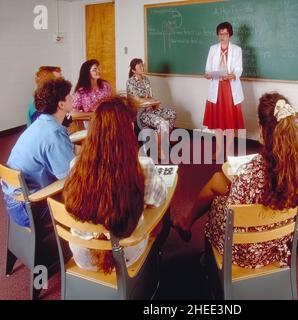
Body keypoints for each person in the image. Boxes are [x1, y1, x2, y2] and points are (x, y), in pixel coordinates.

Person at [172, 92, 298, 268]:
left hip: (241, 253)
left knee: (218, 200)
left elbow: (234, 211)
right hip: (278, 245)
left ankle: (204, 252)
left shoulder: (249, 173)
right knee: (219, 181)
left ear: (261, 129)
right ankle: (188, 222)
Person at [63, 96, 167, 273]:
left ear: (93, 130)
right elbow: (159, 199)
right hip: (126, 255)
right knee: (162, 218)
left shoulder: (75, 165)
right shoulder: (143, 166)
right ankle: (151, 271)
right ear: (129, 129)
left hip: (83, 256)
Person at [1, 78, 76, 227]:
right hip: (30, 209)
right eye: (69, 96)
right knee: (92, 198)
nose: (73, 98)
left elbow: (64, 150)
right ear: (61, 104)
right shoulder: (53, 134)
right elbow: (71, 178)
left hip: (14, 201)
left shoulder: (42, 123)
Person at [203, 22, 245, 159]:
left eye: (225, 33)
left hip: (230, 89)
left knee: (230, 123)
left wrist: (233, 75)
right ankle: (220, 150)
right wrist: (208, 74)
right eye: (220, 34)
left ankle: (229, 152)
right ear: (217, 35)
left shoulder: (237, 50)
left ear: (230, 34)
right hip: (216, 88)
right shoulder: (213, 49)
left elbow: (239, 68)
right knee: (217, 123)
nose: (222, 36)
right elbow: (208, 68)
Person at [127, 58, 176, 160]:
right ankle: (158, 149)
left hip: (151, 109)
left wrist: (153, 101)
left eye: (142, 65)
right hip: (141, 113)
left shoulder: (146, 80)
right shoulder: (130, 82)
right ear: (133, 70)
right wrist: (148, 100)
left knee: (172, 114)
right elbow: (136, 100)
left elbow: (151, 96)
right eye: (139, 66)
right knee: (162, 123)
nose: (142, 67)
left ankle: (165, 139)